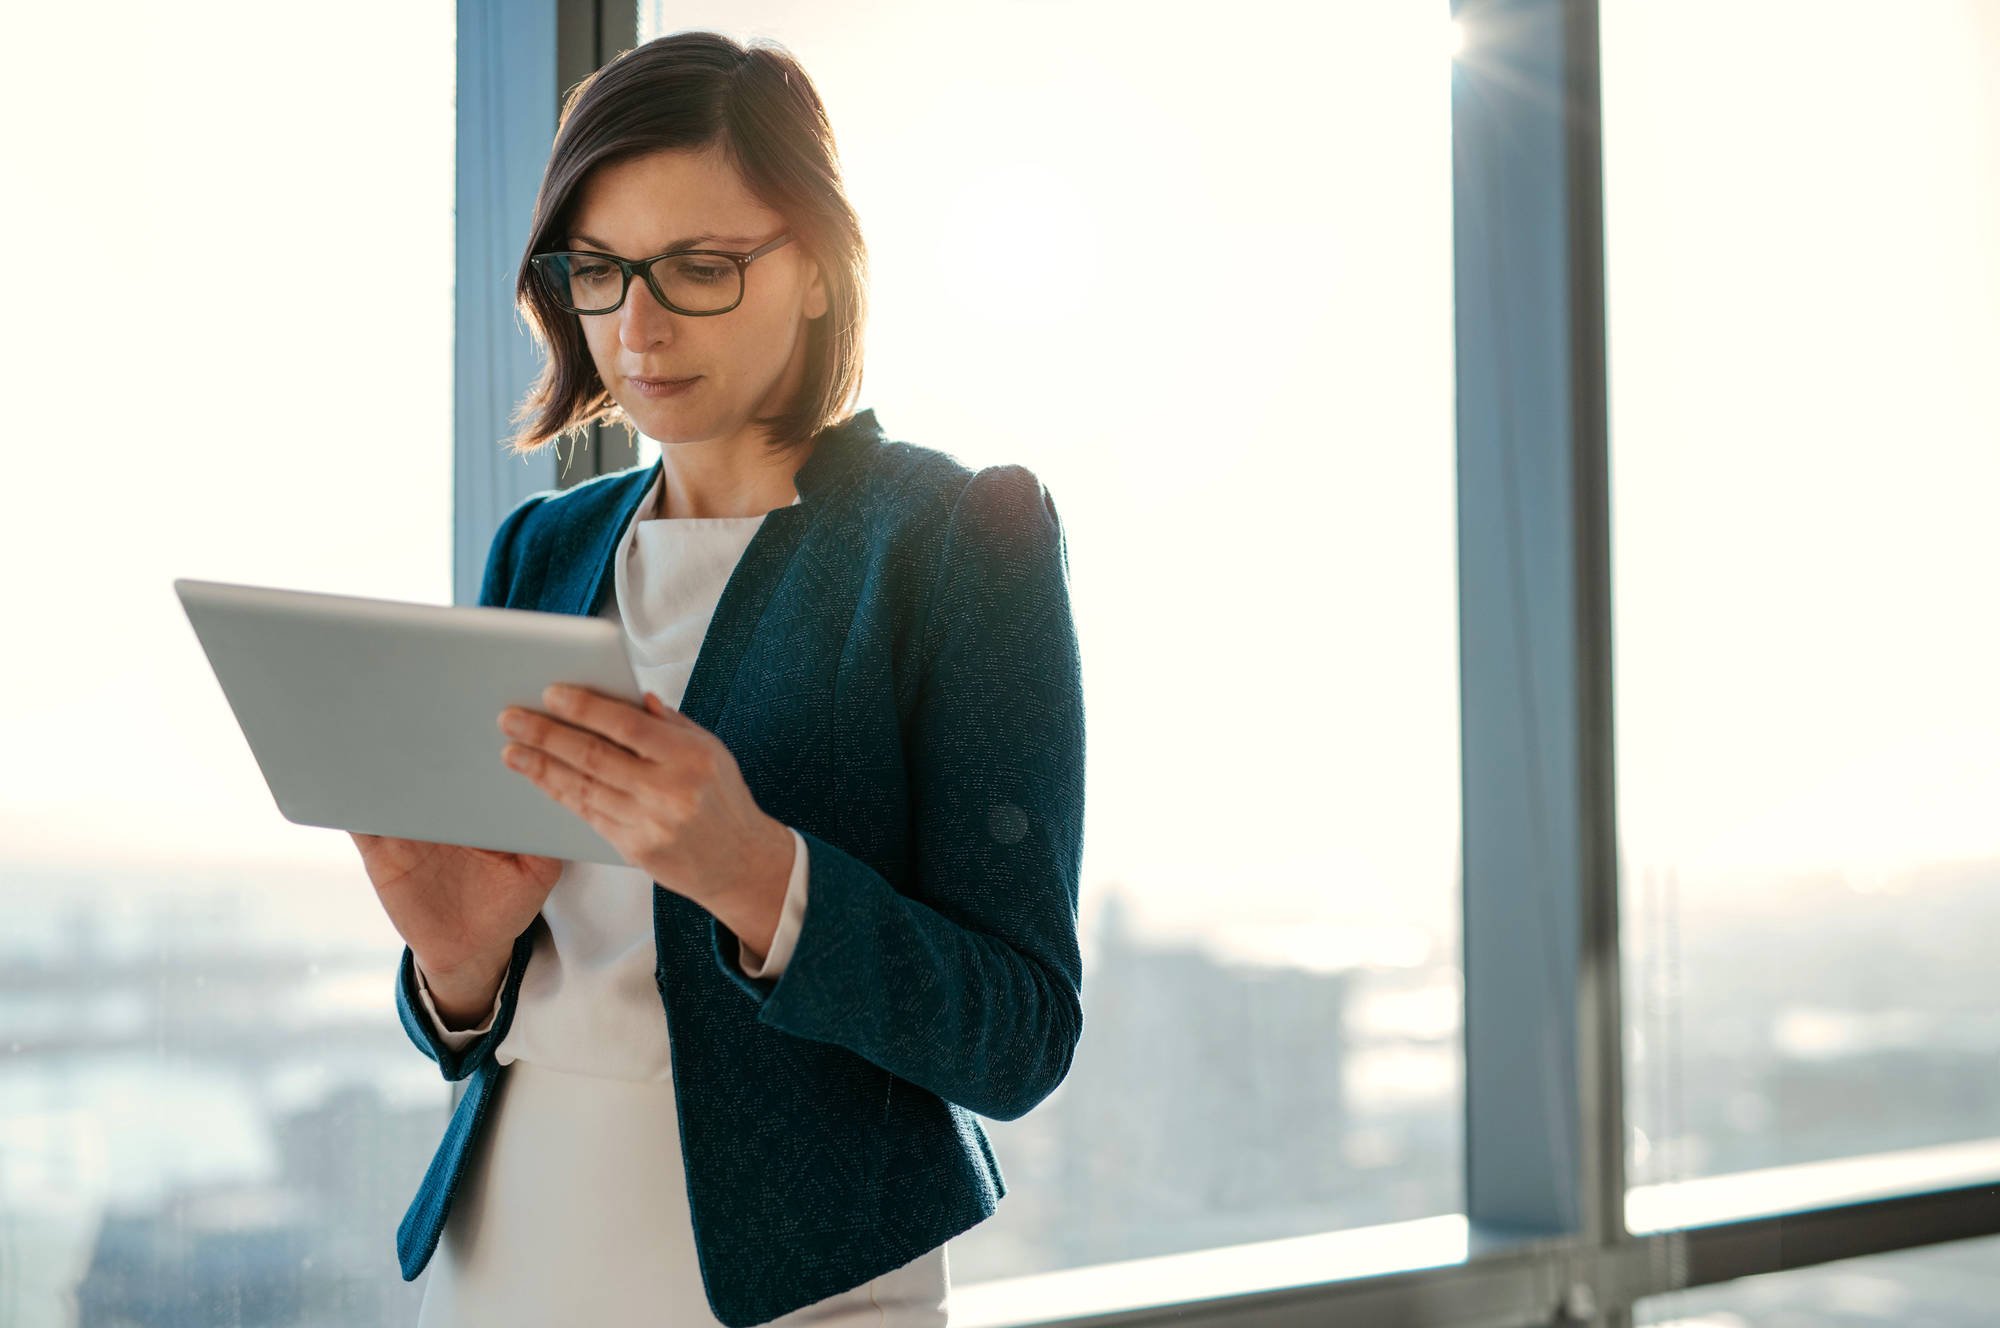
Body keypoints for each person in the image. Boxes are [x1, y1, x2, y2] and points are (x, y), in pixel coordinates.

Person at [346, 29, 1087, 1328]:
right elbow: (489, 1010)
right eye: (601, 270)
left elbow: (1019, 1034)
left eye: (697, 268)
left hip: (808, 1279)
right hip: (506, 1241)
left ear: (817, 268)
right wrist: (454, 966)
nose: (636, 328)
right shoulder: (544, 545)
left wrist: (755, 873)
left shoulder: (959, 538)